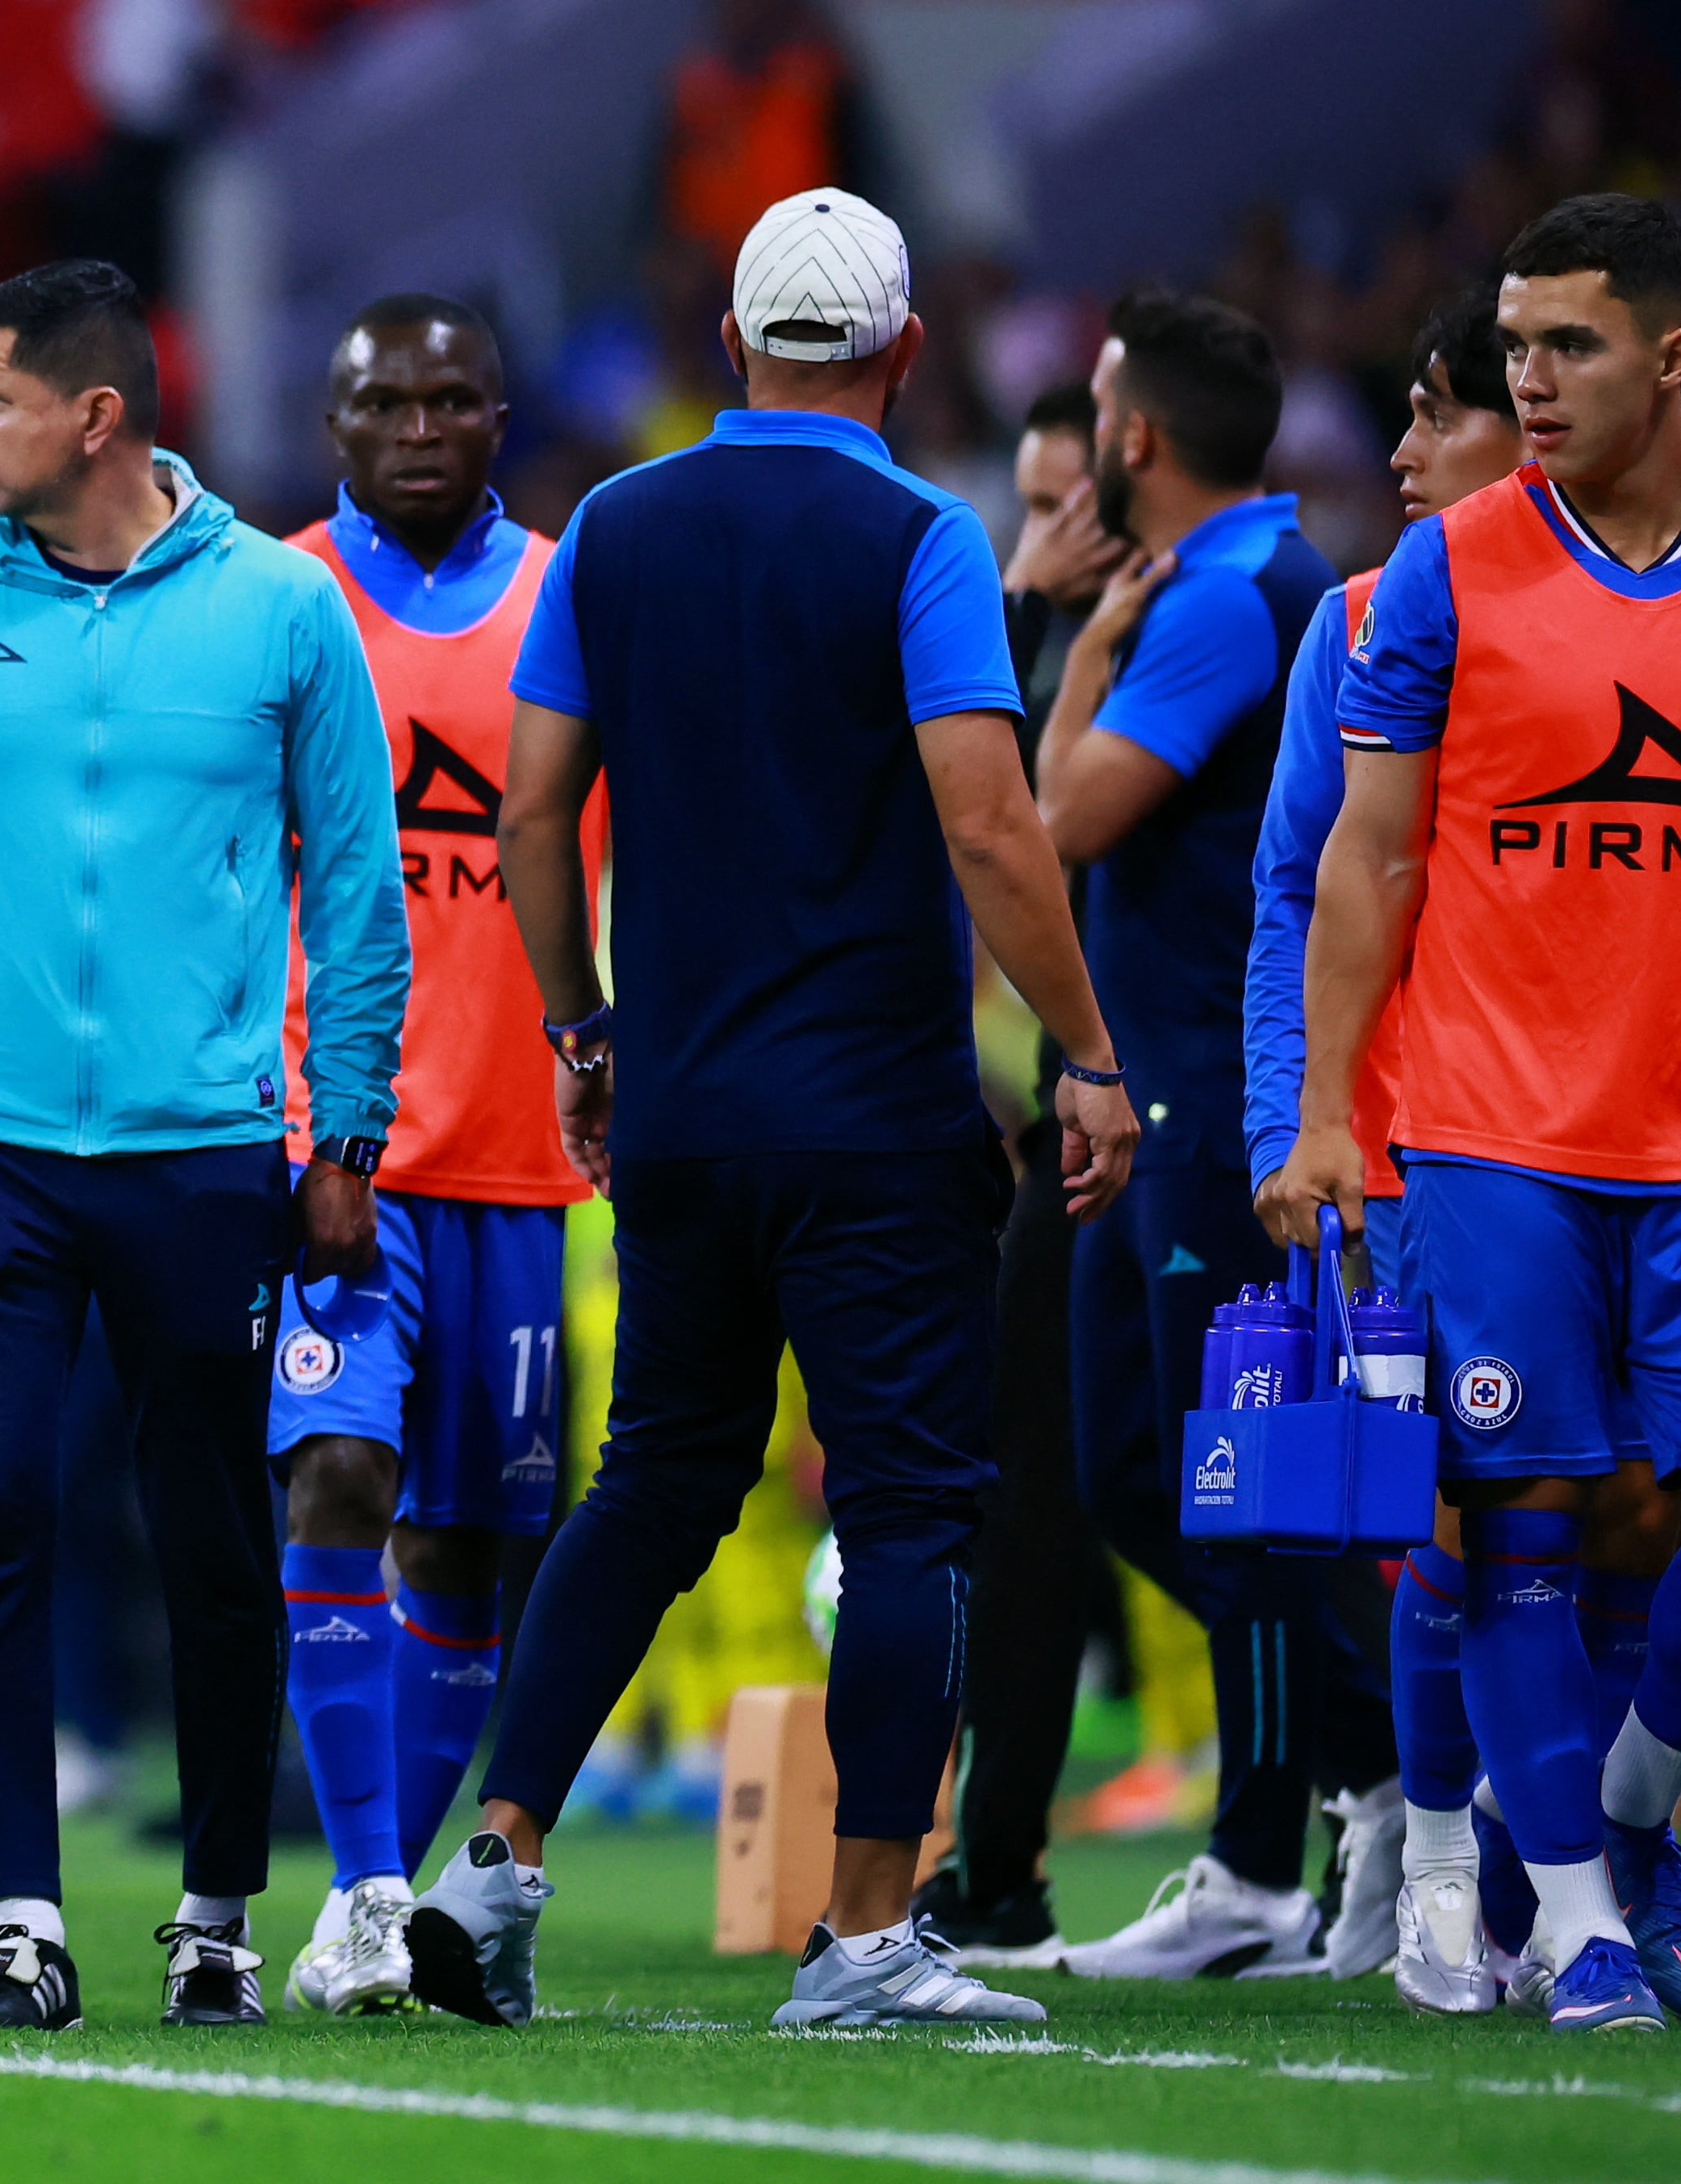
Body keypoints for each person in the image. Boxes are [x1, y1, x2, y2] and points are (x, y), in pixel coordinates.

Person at [408, 186, 1138, 2032]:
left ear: (731, 343)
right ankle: (866, 1936)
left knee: (650, 1482)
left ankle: (491, 1860)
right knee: (909, 1514)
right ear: (901, 352)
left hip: (675, 1108)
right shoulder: (921, 533)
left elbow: (526, 813)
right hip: (875, 1119)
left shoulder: (610, 527)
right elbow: (987, 824)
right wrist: (1085, 1051)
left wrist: (580, 1038)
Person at [0, 257, 407, 2034]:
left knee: (208, 1533)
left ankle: (215, 1914)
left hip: (200, 1153)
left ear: (94, 415)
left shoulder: (278, 608)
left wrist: (345, 1127)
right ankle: (21, 1919)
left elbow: (354, 888)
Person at [1285, 190, 1681, 2035]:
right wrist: (1320, 1113)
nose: (1525, 379)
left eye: (1565, 345)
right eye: (1510, 347)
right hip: (1489, 1135)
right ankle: (1582, 1925)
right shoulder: (1443, 571)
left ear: (1667, 358)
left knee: (1649, 1531)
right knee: (1514, 1512)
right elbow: (1361, 862)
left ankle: (1620, 1804)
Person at [1035, 290, 1400, 1984]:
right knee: (1133, 1475)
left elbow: (1054, 824)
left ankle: (1260, 1863)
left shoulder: (1231, 598)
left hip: (1206, 1098)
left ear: (1132, 435)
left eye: (1098, 406)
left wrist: (1076, 663)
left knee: (1231, 1493)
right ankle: (1385, 1765)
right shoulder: (1214, 583)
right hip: (1157, 1097)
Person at [261, 293, 579, 2018]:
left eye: (451, 401)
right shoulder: (278, 597)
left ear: (497, 420)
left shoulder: (565, 599)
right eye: (385, 403)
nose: (418, 429)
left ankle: (355, 1900)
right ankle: (378, 1877)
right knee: (336, 1474)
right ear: (334, 425)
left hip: (515, 1153)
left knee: (462, 1542)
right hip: (335, 1147)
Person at [910, 380, 1132, 1964]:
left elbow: (1017, 837)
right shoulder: (1014, 639)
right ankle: (994, 1857)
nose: (1039, 533)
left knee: (1156, 1494)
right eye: (1028, 502)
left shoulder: (1179, 638)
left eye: (1066, 506)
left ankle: (1355, 1791)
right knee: (1041, 1497)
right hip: (1053, 1117)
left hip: (1155, 1112)